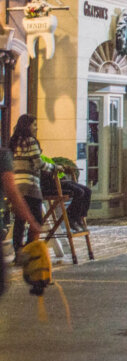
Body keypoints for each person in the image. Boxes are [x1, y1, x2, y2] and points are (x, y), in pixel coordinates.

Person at [1, 143, 44, 297]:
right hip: (30, 186)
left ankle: (19, 249)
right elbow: (12, 192)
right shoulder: (2, 155)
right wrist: (33, 222)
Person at [10, 115, 54, 259]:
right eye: (34, 125)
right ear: (28, 125)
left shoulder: (14, 142)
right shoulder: (30, 141)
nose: (36, 128)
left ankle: (18, 251)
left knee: (20, 219)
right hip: (30, 185)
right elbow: (38, 163)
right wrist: (54, 167)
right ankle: (29, 250)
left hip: (17, 185)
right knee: (36, 220)